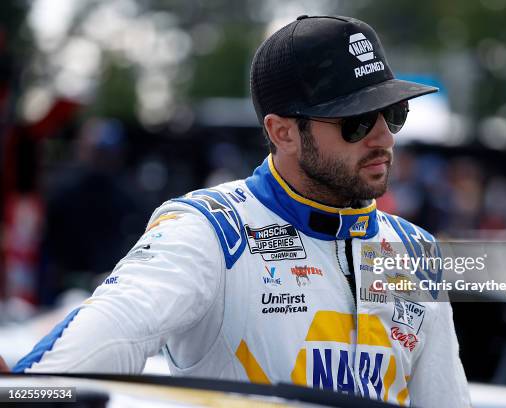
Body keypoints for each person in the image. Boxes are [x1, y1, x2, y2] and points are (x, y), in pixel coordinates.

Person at [4, 16, 470, 407]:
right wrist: (24, 392)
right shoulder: (209, 229)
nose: (385, 138)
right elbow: (100, 345)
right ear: (282, 132)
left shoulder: (414, 249)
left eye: (393, 114)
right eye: (357, 122)